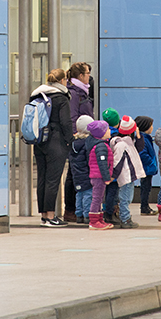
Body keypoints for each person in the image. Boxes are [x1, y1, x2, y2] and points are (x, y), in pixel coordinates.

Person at [30, 68, 72, 227]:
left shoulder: (37, 94)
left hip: (40, 140)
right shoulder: (61, 98)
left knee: (42, 177)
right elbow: (66, 122)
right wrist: (69, 140)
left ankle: (43, 215)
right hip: (56, 141)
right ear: (62, 81)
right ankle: (51, 216)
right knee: (53, 180)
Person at [64, 62, 94, 222]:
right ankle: (71, 209)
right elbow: (73, 116)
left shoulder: (83, 91)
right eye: (87, 73)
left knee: (76, 172)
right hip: (79, 138)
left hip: (85, 136)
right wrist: (77, 135)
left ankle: (77, 208)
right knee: (73, 174)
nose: (89, 75)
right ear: (81, 76)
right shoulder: (75, 93)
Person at [110, 116, 145, 228]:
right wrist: (113, 176)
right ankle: (125, 219)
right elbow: (117, 161)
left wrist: (138, 135)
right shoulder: (121, 145)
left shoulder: (129, 142)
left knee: (128, 197)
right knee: (125, 198)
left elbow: (139, 147)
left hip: (130, 175)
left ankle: (125, 217)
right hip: (125, 175)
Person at [86, 119, 114, 230]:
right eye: (107, 129)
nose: (110, 131)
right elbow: (102, 163)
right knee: (97, 198)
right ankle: (93, 221)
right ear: (101, 133)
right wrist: (107, 177)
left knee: (99, 197)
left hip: (97, 176)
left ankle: (99, 218)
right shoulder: (101, 146)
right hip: (99, 177)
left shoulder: (99, 144)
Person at [68, 114, 95, 225]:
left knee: (79, 194)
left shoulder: (73, 143)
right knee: (88, 194)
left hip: (76, 174)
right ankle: (87, 215)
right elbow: (89, 160)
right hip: (86, 174)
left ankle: (78, 214)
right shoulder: (88, 143)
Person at [134, 116, 158, 216]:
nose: (152, 127)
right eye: (151, 125)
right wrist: (150, 163)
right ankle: (144, 207)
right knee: (145, 188)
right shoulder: (143, 139)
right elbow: (143, 154)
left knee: (146, 187)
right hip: (146, 168)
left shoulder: (145, 138)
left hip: (147, 168)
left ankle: (145, 206)